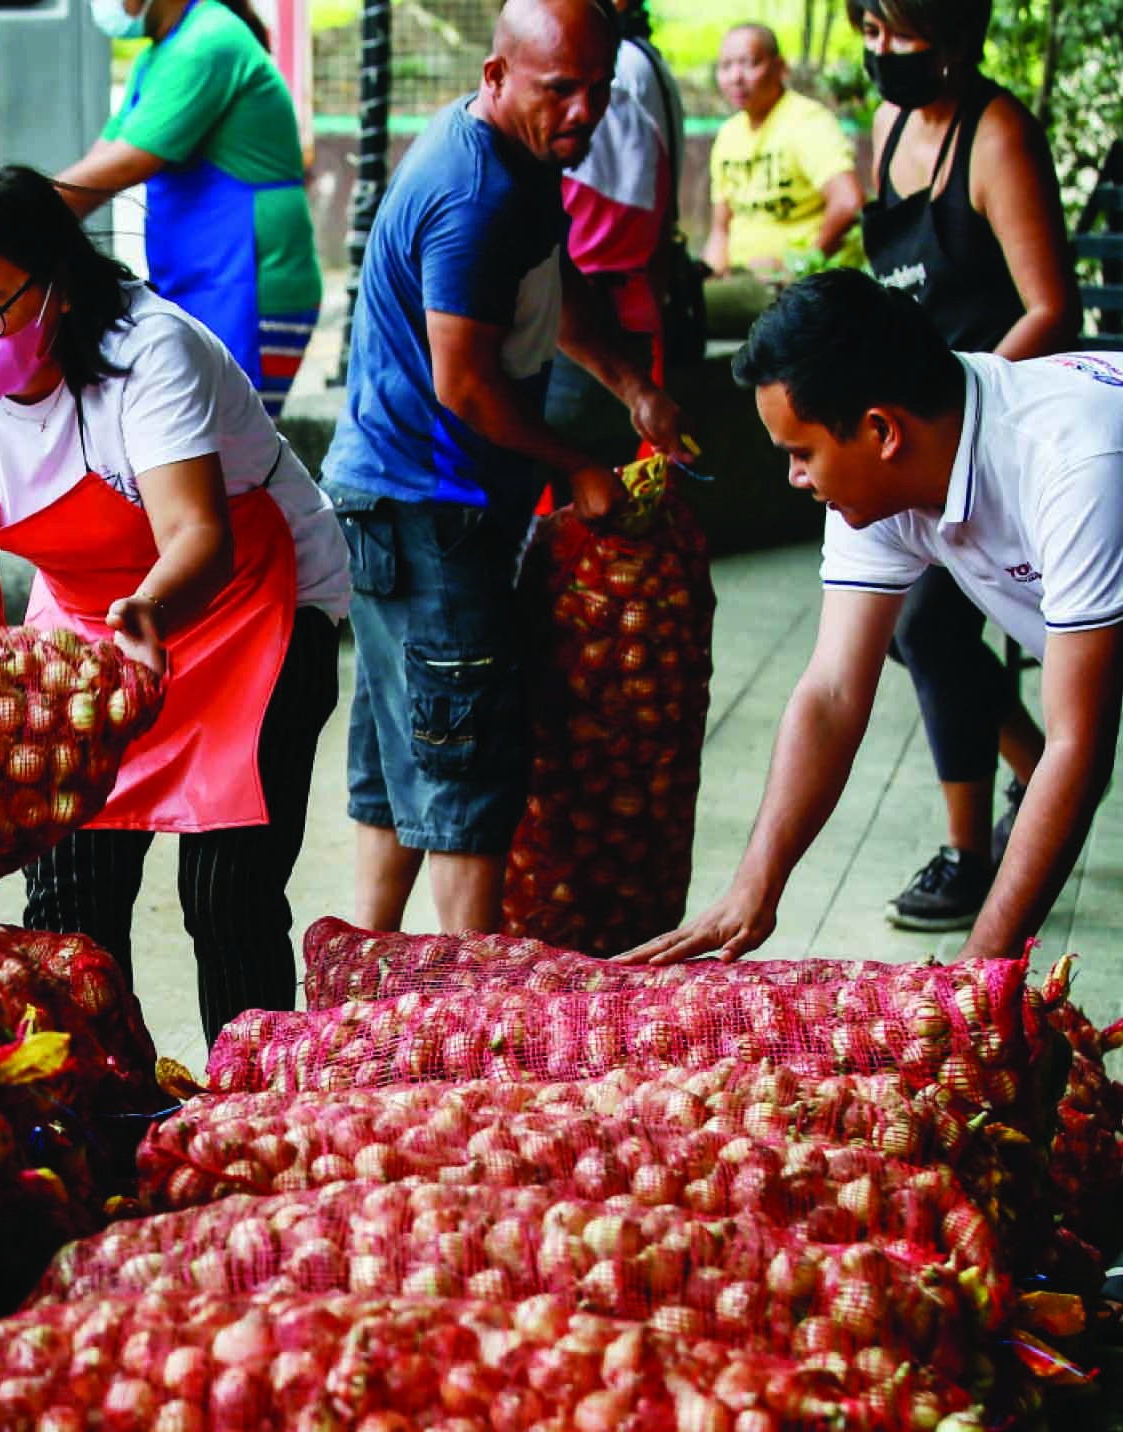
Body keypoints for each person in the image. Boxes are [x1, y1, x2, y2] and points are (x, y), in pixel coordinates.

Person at [0, 165, 349, 1042]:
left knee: (227, 896)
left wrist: (148, 614)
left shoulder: (149, 351)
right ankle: (102, 1114)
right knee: (68, 896)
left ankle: (244, 1119)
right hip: (81, 625)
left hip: (244, 603)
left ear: (57, 286)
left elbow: (198, 536)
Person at [622, 270, 1123, 968]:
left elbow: (1076, 746)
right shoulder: (881, 482)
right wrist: (753, 887)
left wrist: (979, 972)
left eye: (802, 454)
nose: (796, 478)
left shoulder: (1072, 466)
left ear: (882, 431)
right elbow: (831, 692)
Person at [322, 0, 687, 936]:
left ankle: (355, 985)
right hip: (428, 508)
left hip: (401, 500)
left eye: (598, 90)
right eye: (558, 88)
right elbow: (467, 386)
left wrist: (632, 390)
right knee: (465, 765)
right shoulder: (476, 193)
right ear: (496, 76)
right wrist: (580, 467)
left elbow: (551, 292)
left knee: (405, 745)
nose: (582, 111)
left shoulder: (525, 163)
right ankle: (466, 1014)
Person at [853, 0, 1081, 930]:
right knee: (918, 632)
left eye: (897, 34)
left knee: (931, 628)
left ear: (952, 33)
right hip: (906, 436)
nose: (880, 54)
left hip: (997, 427)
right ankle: (1036, 775)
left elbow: (1049, 306)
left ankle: (970, 855)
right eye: (867, 32)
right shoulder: (886, 124)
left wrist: (959, 407)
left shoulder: (999, 137)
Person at [53, 0, 322, 418]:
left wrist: (18, 220)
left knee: (233, 454)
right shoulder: (156, 55)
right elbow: (101, 157)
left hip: (248, 283)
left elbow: (130, 160)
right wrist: (29, 206)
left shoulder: (207, 42)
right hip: (200, 278)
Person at [544, 0, 687, 464]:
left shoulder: (612, 69)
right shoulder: (644, 63)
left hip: (586, 337)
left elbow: (596, 235)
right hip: (627, 321)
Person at [705, 25, 864, 288]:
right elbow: (720, 230)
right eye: (725, 66)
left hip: (797, 287)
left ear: (780, 67)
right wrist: (710, 279)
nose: (736, 77)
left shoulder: (806, 121)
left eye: (749, 64)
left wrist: (800, 266)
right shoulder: (729, 134)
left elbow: (848, 202)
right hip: (740, 279)